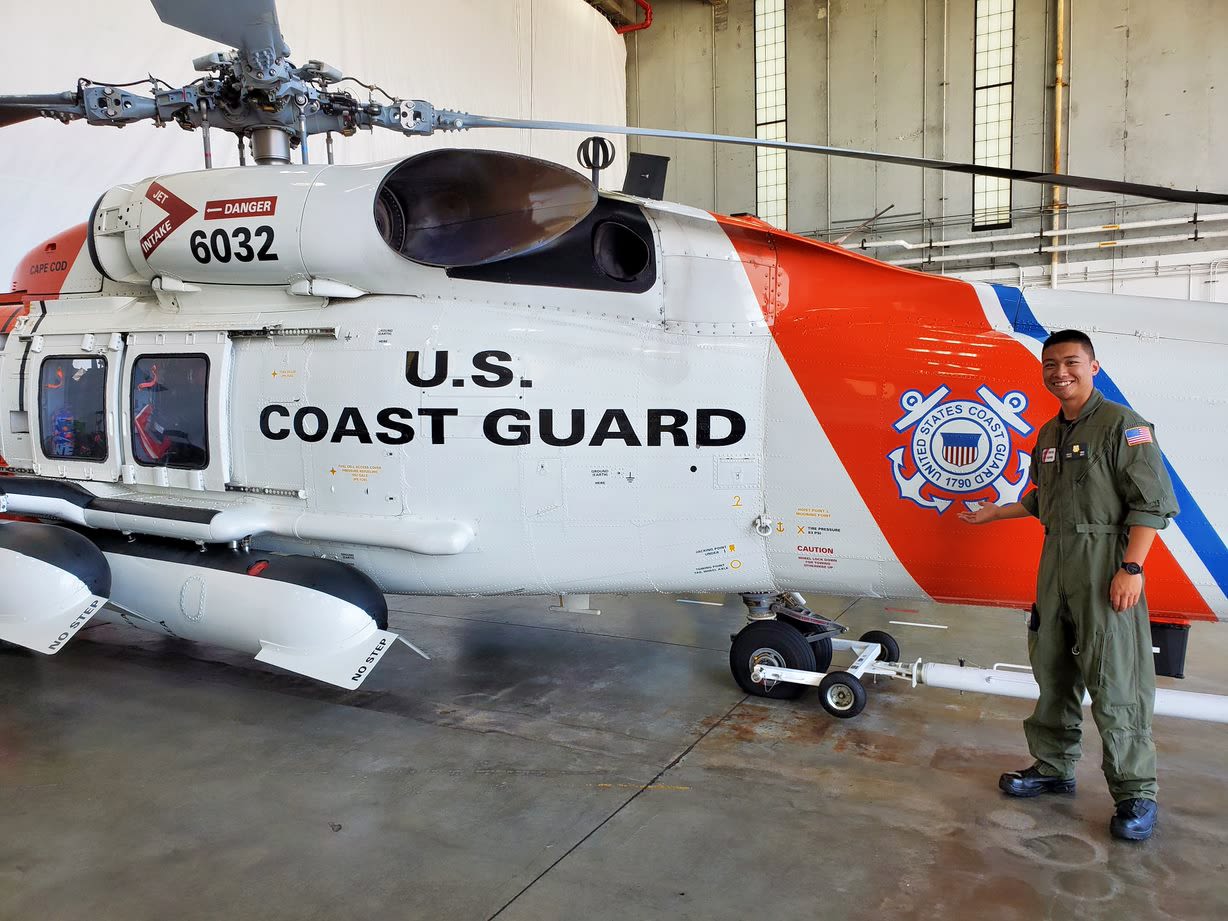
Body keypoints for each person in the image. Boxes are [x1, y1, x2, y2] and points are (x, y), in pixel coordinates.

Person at [960, 329, 1178, 842]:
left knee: (1116, 681)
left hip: (1105, 563)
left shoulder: (1125, 427)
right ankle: (1054, 766)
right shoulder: (1050, 433)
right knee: (1053, 668)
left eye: (1071, 362)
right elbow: (1044, 499)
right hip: (1055, 562)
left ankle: (1136, 793)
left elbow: (1151, 505)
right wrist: (996, 512)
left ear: (1093, 366)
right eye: (1051, 364)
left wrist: (1131, 569)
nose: (1061, 372)